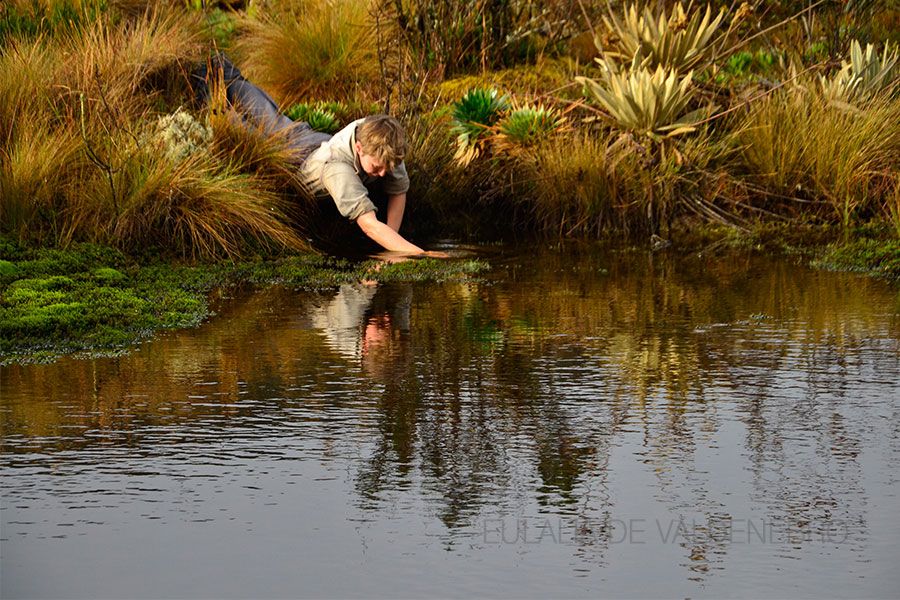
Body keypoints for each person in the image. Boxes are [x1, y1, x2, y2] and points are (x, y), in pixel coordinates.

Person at [190, 54, 445, 257]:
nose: (382, 175)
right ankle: (206, 78)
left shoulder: (385, 141)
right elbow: (368, 224)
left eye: (385, 170)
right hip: (300, 159)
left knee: (277, 122)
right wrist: (419, 254)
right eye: (377, 168)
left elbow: (397, 191)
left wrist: (393, 243)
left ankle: (224, 71)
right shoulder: (339, 169)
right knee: (240, 126)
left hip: (316, 140)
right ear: (359, 148)